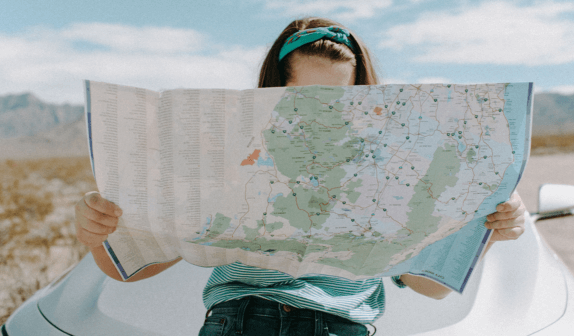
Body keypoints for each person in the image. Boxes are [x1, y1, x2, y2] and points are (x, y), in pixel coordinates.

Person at [75, 17, 527, 336]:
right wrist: (100, 234)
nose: (317, 112)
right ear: (273, 91)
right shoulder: (228, 154)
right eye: (302, 96)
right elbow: (135, 270)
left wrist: (486, 232)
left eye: (337, 99)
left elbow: (428, 286)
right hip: (240, 320)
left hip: (342, 326)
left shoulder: (392, 166)